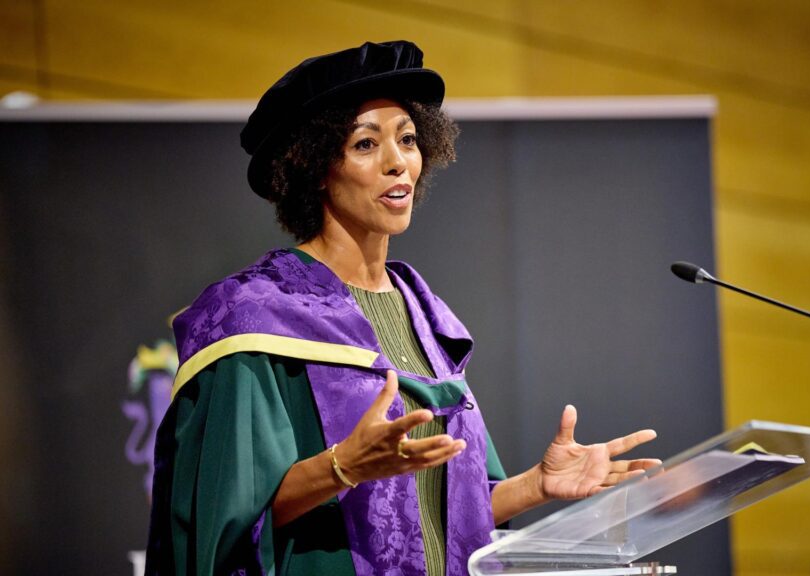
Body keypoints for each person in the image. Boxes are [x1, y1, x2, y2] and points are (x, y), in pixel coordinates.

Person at [145, 40, 660, 576]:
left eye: (408, 140)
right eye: (366, 144)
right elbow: (218, 520)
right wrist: (342, 468)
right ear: (316, 166)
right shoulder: (253, 317)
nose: (398, 163)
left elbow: (445, 520)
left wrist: (537, 485)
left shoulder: (426, 318)